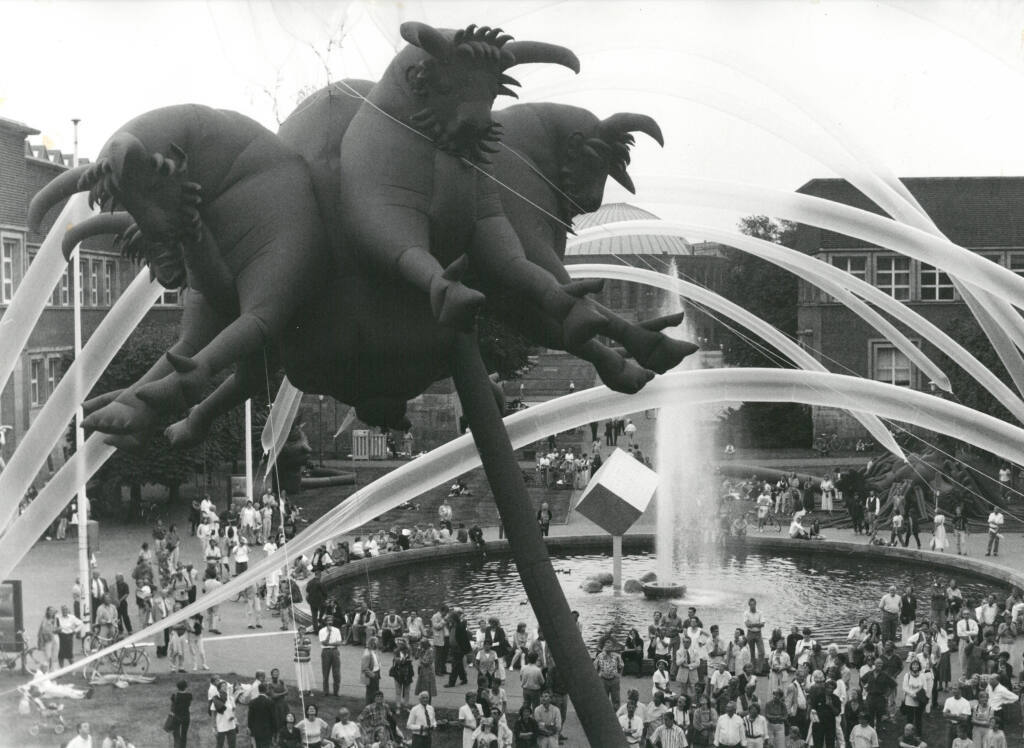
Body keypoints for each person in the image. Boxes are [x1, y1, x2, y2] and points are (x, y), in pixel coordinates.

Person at [595, 638, 624, 709]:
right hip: (603, 680)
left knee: (616, 699)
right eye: (606, 646)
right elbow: (595, 667)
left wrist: (619, 675)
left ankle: (616, 713)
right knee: (604, 699)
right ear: (604, 647)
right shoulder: (600, 656)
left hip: (614, 680)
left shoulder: (617, 656)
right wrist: (598, 677)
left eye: (610, 646)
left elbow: (622, 665)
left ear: (613, 647)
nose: (608, 648)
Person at [246, 682, 276, 748]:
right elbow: (273, 718)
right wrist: (274, 731)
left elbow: (250, 717)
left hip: (255, 730)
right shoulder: (270, 702)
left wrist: (249, 727)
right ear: (266, 690)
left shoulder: (252, 702)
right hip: (267, 731)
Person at [319, 615, 343, 697]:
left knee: (336, 673)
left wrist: (329, 643)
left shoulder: (337, 630)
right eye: (328, 620)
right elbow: (324, 643)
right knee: (325, 672)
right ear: (325, 622)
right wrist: (329, 634)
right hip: (326, 652)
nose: (330, 622)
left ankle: (336, 692)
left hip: (335, 651)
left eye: (331, 620)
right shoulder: (322, 631)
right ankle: (326, 691)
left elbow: (339, 643)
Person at [213, 680, 239, 748]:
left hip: (231, 724)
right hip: (221, 724)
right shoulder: (216, 699)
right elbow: (213, 714)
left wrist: (235, 719)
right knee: (220, 745)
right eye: (223, 686)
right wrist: (214, 726)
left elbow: (233, 710)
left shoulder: (230, 698)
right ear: (219, 688)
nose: (225, 687)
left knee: (232, 744)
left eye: (226, 686)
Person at [169, 679, 192, 748]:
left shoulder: (174, 695)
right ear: (186, 687)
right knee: (184, 734)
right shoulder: (189, 695)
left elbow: (172, 705)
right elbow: (189, 704)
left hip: (176, 717)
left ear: (177, 687)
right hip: (186, 717)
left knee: (176, 735)